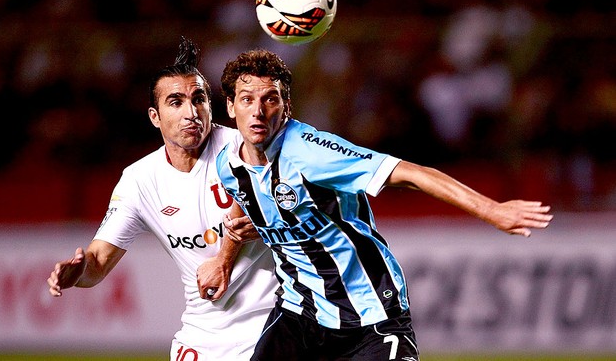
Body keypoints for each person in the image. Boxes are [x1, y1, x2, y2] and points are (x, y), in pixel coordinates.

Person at [215, 49, 554, 361]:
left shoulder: (311, 152)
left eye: (269, 99)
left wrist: (491, 210)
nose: (258, 111)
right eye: (247, 100)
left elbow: (413, 173)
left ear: (286, 107)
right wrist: (223, 260)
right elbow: (245, 199)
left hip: (371, 315)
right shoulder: (227, 164)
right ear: (231, 107)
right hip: (299, 314)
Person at [47, 38, 277, 361]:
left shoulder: (243, 147)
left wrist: (225, 259)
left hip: (270, 328)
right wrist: (77, 273)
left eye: (199, 99)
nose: (191, 112)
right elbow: (97, 262)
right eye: (176, 102)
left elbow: (261, 209)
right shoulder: (140, 180)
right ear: (155, 117)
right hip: (202, 335)